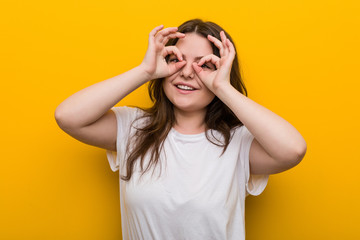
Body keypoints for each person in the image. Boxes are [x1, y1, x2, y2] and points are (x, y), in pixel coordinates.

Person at [55, 18, 307, 240]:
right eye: (176, 59)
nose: (186, 72)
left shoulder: (237, 143)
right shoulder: (133, 128)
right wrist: (145, 71)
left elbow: (293, 150)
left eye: (204, 65)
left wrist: (223, 88)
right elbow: (67, 116)